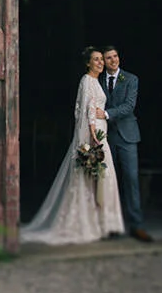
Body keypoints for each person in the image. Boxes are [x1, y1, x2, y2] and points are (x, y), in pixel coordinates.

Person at [20, 47, 124, 245]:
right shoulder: (87, 81)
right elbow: (87, 110)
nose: (101, 62)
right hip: (95, 135)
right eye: (96, 60)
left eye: (102, 59)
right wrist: (93, 136)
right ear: (88, 63)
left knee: (101, 178)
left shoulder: (94, 81)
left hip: (101, 133)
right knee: (92, 176)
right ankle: (87, 222)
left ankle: (103, 223)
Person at [96, 46, 153, 243]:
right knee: (109, 182)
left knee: (131, 179)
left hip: (127, 136)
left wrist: (107, 114)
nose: (113, 60)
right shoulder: (98, 79)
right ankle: (111, 225)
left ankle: (136, 225)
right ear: (103, 61)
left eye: (115, 56)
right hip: (107, 136)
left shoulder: (130, 79)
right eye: (108, 58)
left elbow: (129, 106)